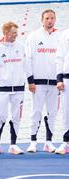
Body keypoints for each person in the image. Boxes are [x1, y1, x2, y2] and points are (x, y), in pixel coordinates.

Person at [25, 9, 60, 153]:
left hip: (55, 83)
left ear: (55, 20)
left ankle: (49, 142)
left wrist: (61, 79)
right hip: (38, 82)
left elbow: (63, 58)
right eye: (47, 18)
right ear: (42, 20)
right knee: (36, 111)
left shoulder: (60, 36)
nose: (49, 21)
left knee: (52, 112)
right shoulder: (33, 36)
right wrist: (30, 80)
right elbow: (28, 59)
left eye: (52, 18)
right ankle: (33, 141)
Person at [0, 22, 26, 155]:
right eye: (13, 33)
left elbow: (25, 66)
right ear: (5, 33)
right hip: (3, 88)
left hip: (19, 88)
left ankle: (13, 145)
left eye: (16, 32)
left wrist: (23, 81)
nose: (16, 35)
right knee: (0, 116)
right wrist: (2, 80)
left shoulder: (21, 47)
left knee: (16, 116)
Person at [55, 25, 69, 155]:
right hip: (67, 78)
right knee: (66, 111)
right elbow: (59, 57)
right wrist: (59, 78)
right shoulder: (65, 34)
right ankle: (66, 142)